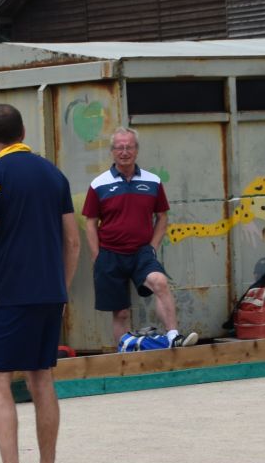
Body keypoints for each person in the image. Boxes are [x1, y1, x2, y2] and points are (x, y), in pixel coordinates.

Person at [0, 104, 79, 463]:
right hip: (51, 291)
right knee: (42, 377)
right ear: (22, 132)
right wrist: (61, 288)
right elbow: (72, 241)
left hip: (12, 291)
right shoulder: (54, 174)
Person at [82, 128, 198, 349]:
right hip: (110, 255)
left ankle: (173, 337)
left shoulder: (152, 181)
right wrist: (97, 256)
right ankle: (125, 356)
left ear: (136, 150)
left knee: (160, 282)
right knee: (121, 313)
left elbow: (162, 216)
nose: (124, 152)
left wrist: (152, 247)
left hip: (141, 253)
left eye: (129, 147)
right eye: (119, 147)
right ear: (112, 151)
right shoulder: (99, 184)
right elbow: (91, 222)